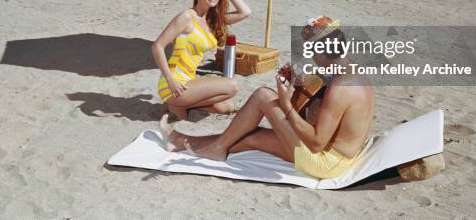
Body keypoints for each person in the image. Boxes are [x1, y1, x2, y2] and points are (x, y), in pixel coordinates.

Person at [160, 16, 375, 180]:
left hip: (326, 163)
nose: (311, 57)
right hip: (337, 155)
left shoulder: (341, 87)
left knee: (263, 96)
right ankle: (184, 142)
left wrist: (285, 103)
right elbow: (320, 116)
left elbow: (317, 143)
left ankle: (215, 149)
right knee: (250, 137)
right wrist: (297, 89)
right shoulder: (350, 71)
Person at [152, 0, 251, 120]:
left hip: (190, 81)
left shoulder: (213, 20)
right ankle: (177, 103)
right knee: (231, 86)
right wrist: (171, 81)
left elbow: (245, 12)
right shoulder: (186, 17)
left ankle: (180, 105)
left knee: (227, 108)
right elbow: (157, 46)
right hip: (173, 84)